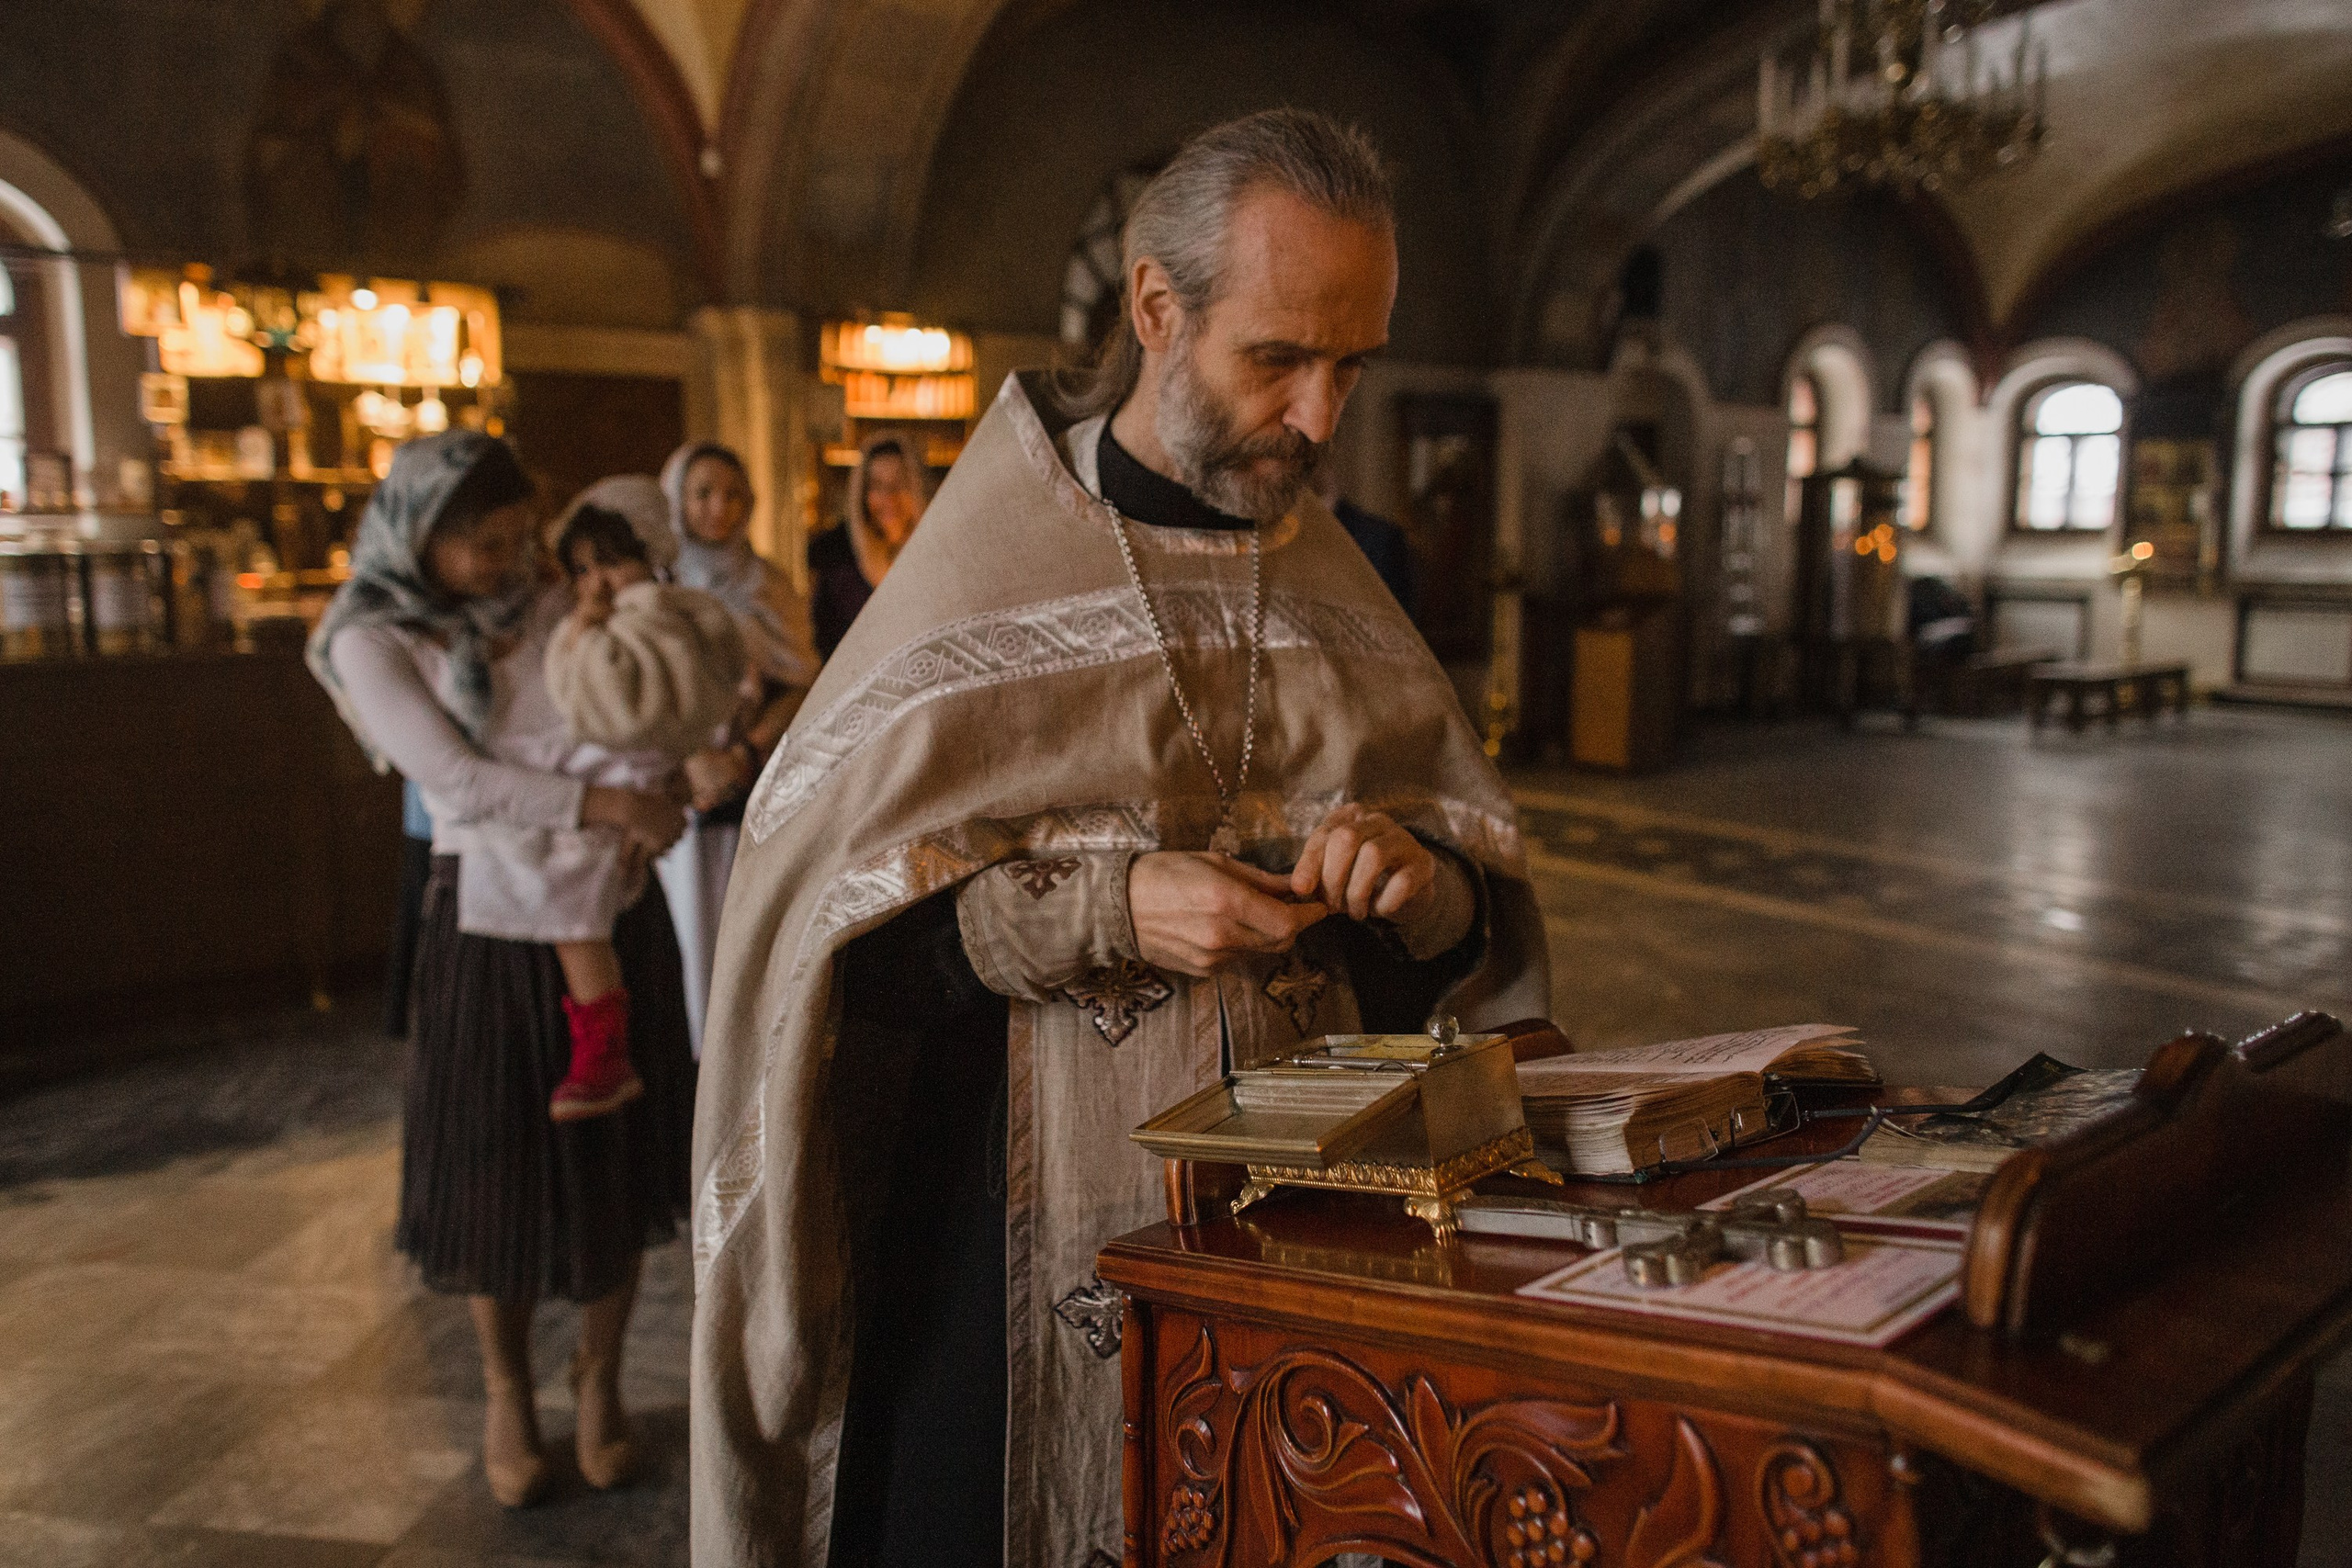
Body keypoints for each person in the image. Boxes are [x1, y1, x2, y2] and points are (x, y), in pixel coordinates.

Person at [689, 108, 1549, 1568]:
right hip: (991, 1261)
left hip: (1306, 1255)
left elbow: (1459, 939)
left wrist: (1427, 890)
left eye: (1354, 364)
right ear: (1158, 308)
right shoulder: (980, 568)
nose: (1323, 415)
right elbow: (818, 947)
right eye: (1278, 357)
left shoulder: (1334, 576)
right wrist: (1101, 910)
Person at [307, 430, 699, 1510]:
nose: (507, 560)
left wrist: (647, 780)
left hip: (607, 905)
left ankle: (603, 1382)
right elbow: (457, 780)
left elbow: (622, 700)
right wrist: (612, 803)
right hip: (481, 923)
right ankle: (507, 1392)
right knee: (494, 1168)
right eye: (481, 542)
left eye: (519, 538)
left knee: (612, 1159)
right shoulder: (370, 638)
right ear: (418, 532)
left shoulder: (543, 601)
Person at [455, 482, 744, 1121]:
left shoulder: (655, 614)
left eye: (612, 562)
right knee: (554, 873)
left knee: (573, 889)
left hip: (627, 767)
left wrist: (589, 628)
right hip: (594, 767)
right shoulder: (572, 611)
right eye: (583, 567)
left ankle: (604, 1045)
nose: (595, 581)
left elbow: (629, 699)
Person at [653, 442, 820, 1055]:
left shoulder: (766, 583)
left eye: (733, 494)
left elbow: (801, 681)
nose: (719, 508)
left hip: (749, 775)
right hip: (677, 780)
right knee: (685, 938)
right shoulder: (658, 586)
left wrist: (743, 752)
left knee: (745, 936)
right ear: (677, 499)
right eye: (702, 493)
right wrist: (685, 758)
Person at [808, 429, 929, 658]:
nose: (889, 497)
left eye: (900, 483)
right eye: (877, 485)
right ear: (862, 494)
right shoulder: (834, 562)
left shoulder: (939, 556)